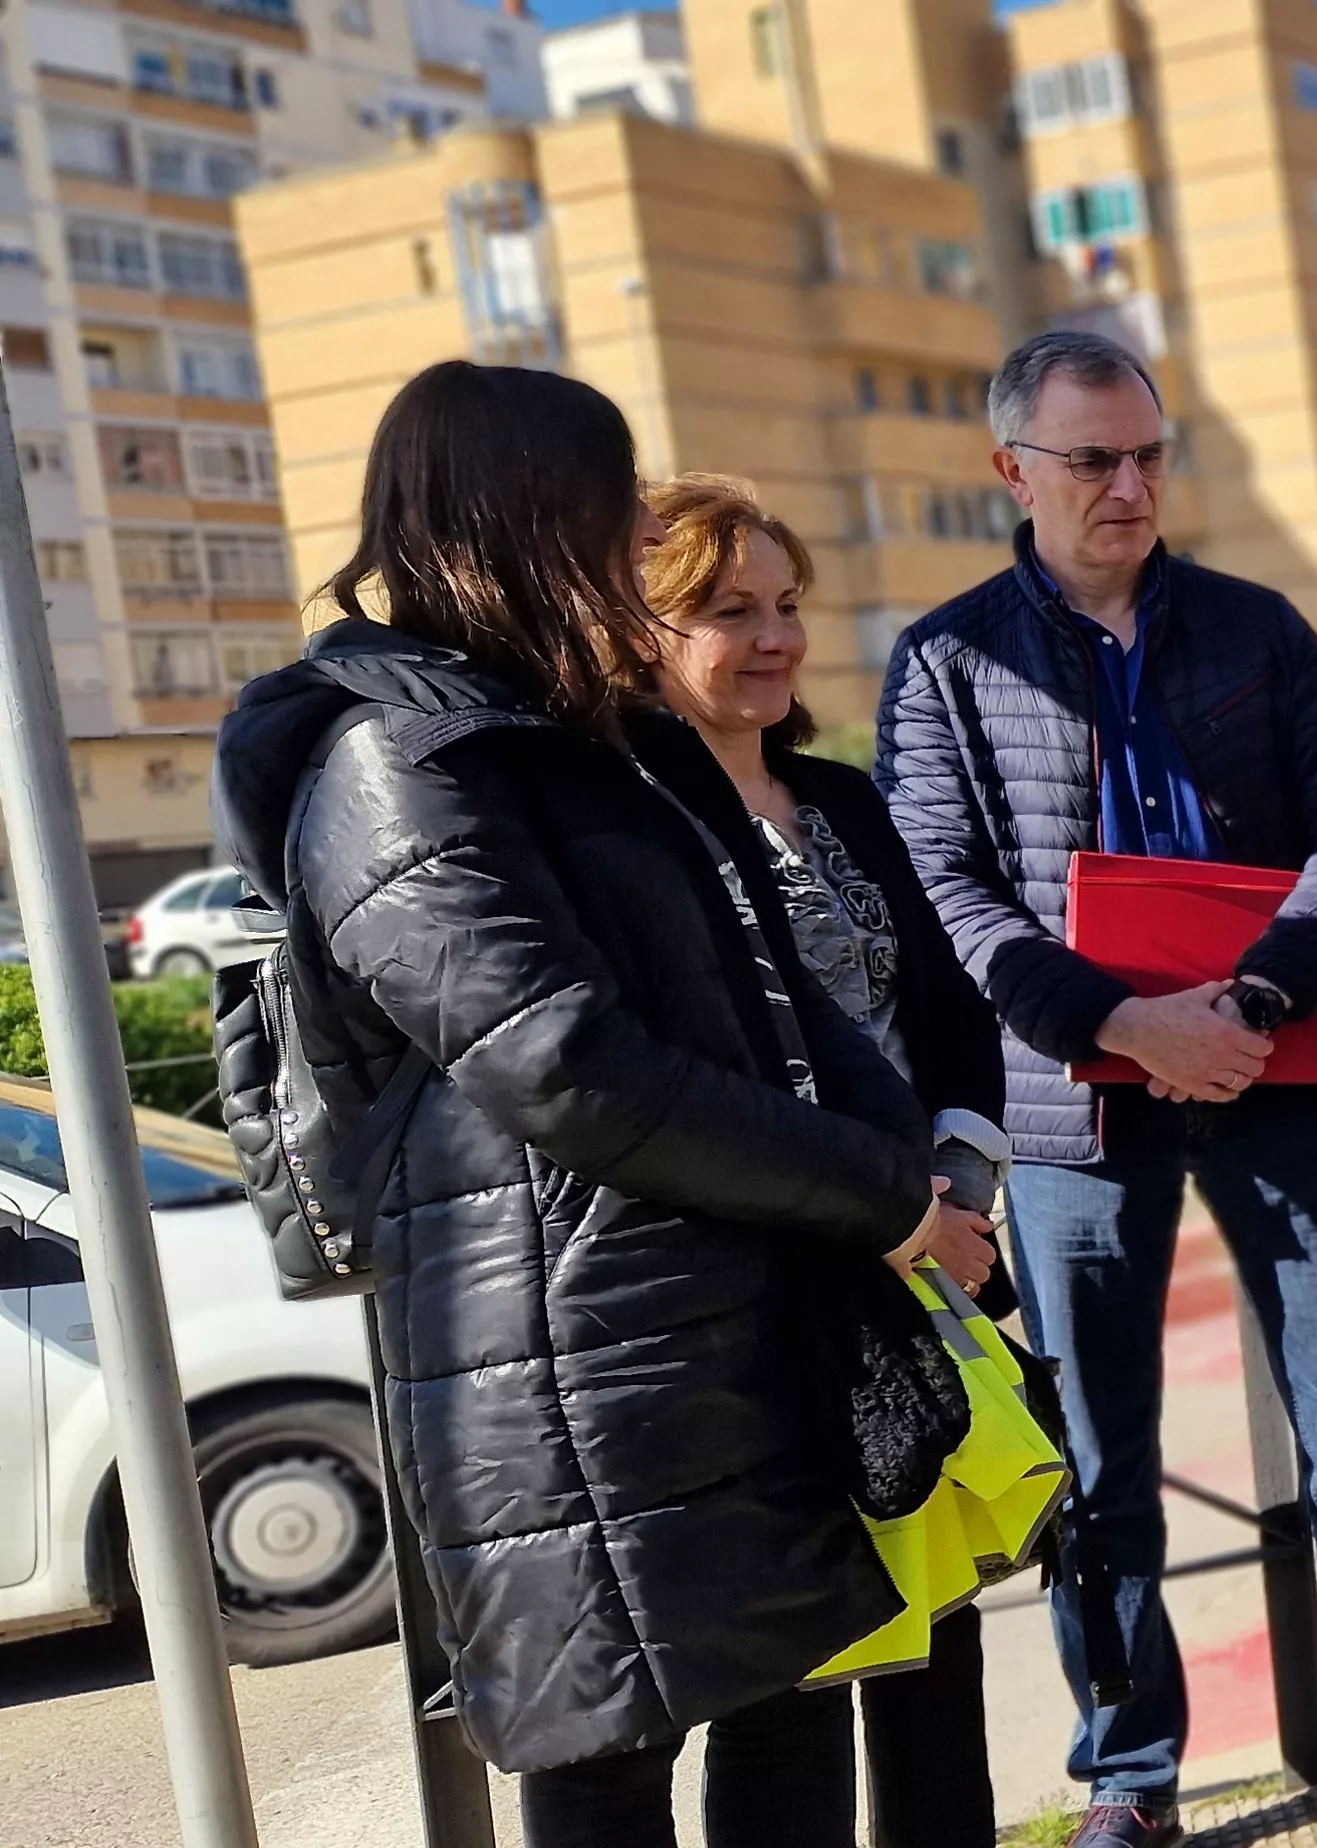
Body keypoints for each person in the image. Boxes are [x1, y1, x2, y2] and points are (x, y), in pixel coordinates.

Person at [212, 361, 999, 1847]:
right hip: (555, 1366)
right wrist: (882, 1193)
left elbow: (771, 999)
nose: (637, 533)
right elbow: (562, 1066)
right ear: (520, 513)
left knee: (789, 1715)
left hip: (726, 1327)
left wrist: (913, 1172)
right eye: (608, 500)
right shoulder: (388, 758)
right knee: (606, 1768)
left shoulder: (591, 735)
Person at [877, 330, 1317, 1842]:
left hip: (1275, 1067)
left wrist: (1251, 1002)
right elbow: (952, 896)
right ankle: (1130, 1777)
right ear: (1012, 470)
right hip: (1073, 1107)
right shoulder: (943, 662)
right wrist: (1126, 1024)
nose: (1129, 487)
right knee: (1097, 1454)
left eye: (1149, 456)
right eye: (1093, 461)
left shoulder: (1261, 628)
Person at [639, 474, 1020, 1847]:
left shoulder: (841, 797)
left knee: (939, 1648)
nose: (776, 637)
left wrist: (960, 1189)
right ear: (639, 631)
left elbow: (951, 1009)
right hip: (764, 1296)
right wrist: (881, 1215)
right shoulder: (639, 823)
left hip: (926, 1270)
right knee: (787, 1684)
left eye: (787, 603)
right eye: (730, 610)